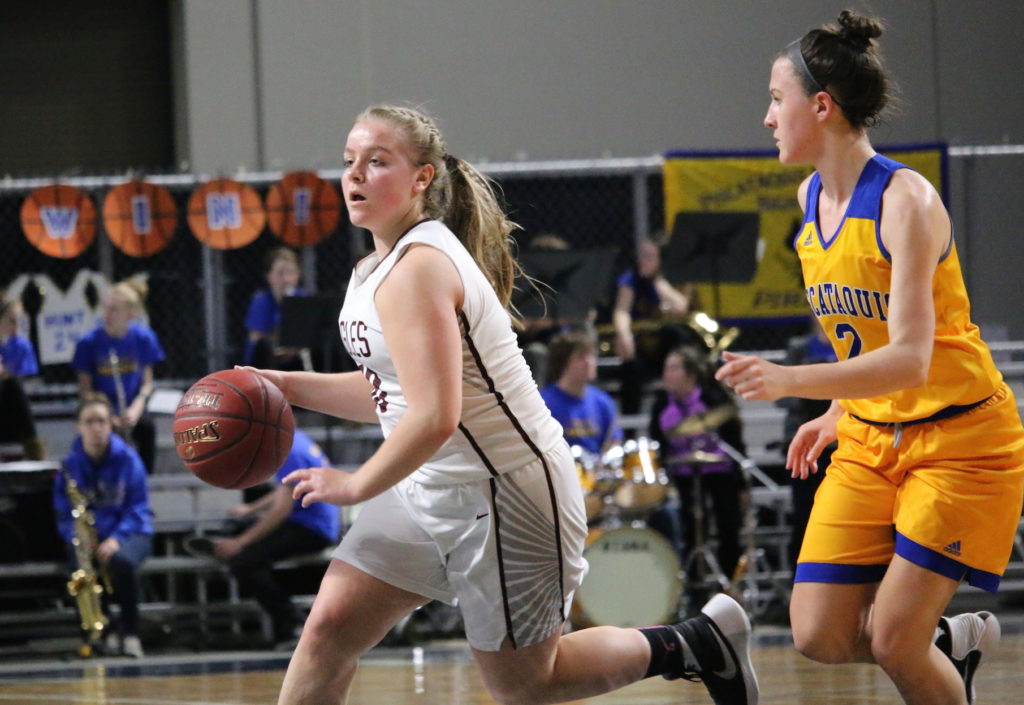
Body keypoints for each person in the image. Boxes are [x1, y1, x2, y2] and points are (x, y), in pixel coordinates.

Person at [243, 105, 758, 705]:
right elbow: (392, 393)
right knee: (329, 630)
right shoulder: (370, 269)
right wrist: (284, 385)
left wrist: (355, 485)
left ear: (422, 179)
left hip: (505, 491)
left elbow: (436, 416)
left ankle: (695, 642)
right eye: (349, 162)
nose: (355, 174)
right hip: (429, 486)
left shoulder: (420, 268)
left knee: (525, 685)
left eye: (377, 162)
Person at [716, 11, 1023, 705]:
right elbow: (862, 335)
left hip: (959, 439)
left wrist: (792, 380)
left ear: (820, 105)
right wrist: (834, 408)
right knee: (818, 632)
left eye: (775, 98)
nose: (767, 117)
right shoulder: (808, 198)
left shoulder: (907, 201)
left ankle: (922, 649)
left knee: (891, 639)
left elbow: (912, 358)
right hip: (872, 433)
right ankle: (946, 647)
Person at [184, 427, 341, 648]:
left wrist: (241, 543)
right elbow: (285, 490)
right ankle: (226, 542)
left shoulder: (288, 451)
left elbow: (281, 510)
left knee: (243, 562)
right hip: (310, 519)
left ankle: (293, 625)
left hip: (313, 528)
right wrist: (250, 509)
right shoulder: (294, 439)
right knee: (242, 525)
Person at [52, 393, 153, 658]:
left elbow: (138, 508)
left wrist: (115, 538)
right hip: (89, 536)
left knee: (121, 562)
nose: (96, 427)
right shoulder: (69, 465)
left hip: (131, 532)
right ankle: (102, 631)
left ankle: (131, 634)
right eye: (89, 421)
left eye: (101, 421)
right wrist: (77, 537)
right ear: (78, 426)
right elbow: (63, 511)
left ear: (111, 424)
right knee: (81, 569)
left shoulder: (128, 459)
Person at [649, 345, 746, 593]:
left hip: (720, 472)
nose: (666, 374)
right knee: (690, 528)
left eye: (673, 368)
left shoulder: (713, 399)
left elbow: (735, 440)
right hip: (683, 475)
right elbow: (657, 445)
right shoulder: (661, 405)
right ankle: (694, 586)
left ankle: (730, 584)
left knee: (728, 526)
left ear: (690, 374)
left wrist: (742, 483)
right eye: (665, 368)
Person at [72, 280, 166, 474]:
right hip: (104, 408)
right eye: (105, 308)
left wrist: (135, 410)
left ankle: (143, 481)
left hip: (132, 407)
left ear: (130, 314)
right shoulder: (89, 343)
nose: (107, 314)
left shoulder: (144, 338)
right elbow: (85, 389)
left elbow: (146, 384)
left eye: (114, 310)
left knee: (146, 428)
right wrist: (108, 416)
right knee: (97, 431)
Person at [775, 319, 836, 572]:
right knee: (804, 514)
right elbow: (784, 396)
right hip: (806, 442)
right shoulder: (799, 347)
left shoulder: (849, 344)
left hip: (839, 443)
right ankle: (798, 576)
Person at [611, 235, 693, 415]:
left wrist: (658, 283)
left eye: (649, 256)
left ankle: (681, 416)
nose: (642, 260)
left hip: (667, 352)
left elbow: (681, 308)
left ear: (661, 260)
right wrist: (624, 334)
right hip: (641, 347)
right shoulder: (631, 278)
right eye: (642, 255)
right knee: (630, 368)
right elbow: (621, 310)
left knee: (676, 334)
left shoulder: (673, 279)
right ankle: (630, 432)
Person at [540, 327, 622, 456]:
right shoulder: (543, 403)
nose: (589, 362)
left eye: (592, 355)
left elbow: (613, 442)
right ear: (563, 362)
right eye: (581, 357)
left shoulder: (603, 401)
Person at [243, 246, 308, 370]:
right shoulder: (261, 301)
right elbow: (256, 340)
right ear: (268, 275)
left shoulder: (304, 299)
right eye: (279, 273)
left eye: (290, 272)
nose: (286, 279)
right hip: (268, 364)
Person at [0, 296, 45, 460]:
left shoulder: (22, 346)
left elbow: (26, 382)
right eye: (11, 321)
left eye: (20, 322)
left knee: (12, 386)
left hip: (12, 405)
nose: (16, 327)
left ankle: (33, 451)